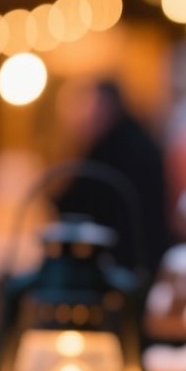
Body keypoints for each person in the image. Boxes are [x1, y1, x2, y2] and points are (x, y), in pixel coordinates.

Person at [54, 80, 173, 277]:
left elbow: (80, 200)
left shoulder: (111, 147)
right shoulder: (141, 140)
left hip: (118, 260)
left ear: (108, 105)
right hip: (145, 257)